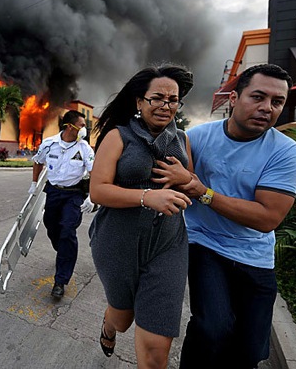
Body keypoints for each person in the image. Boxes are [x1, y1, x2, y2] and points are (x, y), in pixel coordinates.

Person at [175, 64, 296, 369]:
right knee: (212, 328)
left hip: (255, 255)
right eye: (257, 97)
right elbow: (177, 184)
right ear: (234, 98)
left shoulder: (286, 151)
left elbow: (267, 218)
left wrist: (203, 192)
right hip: (205, 244)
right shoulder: (197, 138)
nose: (266, 108)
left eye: (277, 102)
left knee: (249, 353)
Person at [88, 63, 194, 368]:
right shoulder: (118, 136)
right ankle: (109, 326)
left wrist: (185, 179)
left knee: (156, 348)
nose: (166, 106)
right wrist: (148, 197)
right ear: (139, 101)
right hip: (117, 241)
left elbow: (189, 187)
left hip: (167, 245)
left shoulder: (183, 140)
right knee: (123, 319)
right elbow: (98, 191)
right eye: (157, 98)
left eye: (173, 100)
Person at [29, 110, 95, 299]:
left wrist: (91, 196)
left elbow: (94, 173)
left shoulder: (85, 149)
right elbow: (37, 162)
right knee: (52, 227)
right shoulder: (49, 144)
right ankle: (64, 250)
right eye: (82, 125)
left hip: (73, 194)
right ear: (69, 126)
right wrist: (34, 184)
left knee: (67, 230)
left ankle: (60, 281)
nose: (84, 129)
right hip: (53, 192)